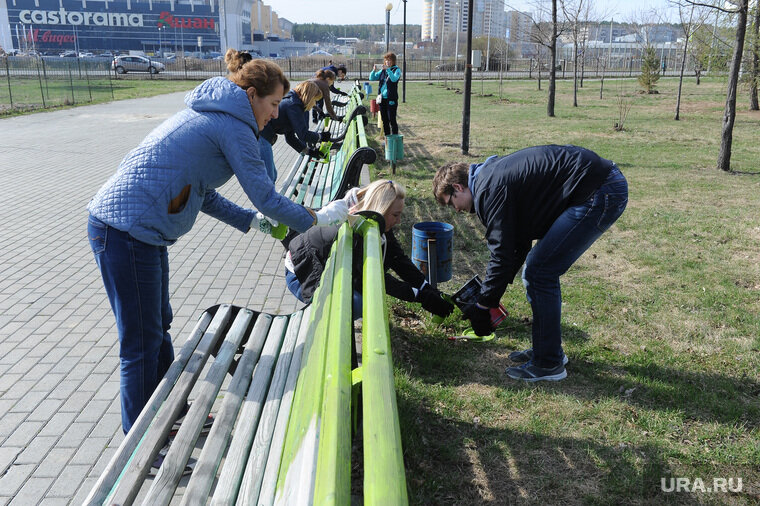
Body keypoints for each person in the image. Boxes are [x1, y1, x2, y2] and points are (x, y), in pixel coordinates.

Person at [87, 49, 349, 437]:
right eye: (274, 103)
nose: (277, 113)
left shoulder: (218, 115)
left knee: (158, 327)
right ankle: (143, 440)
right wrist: (320, 217)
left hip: (137, 231)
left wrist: (252, 223)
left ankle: (170, 414)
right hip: (124, 231)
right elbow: (264, 194)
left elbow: (203, 192)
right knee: (141, 343)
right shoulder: (233, 125)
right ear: (250, 96)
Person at [433, 145, 628, 382]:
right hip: (599, 184)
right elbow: (518, 244)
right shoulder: (489, 177)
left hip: (599, 191)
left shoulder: (488, 190)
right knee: (537, 269)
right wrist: (489, 296)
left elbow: (502, 254)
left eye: (452, 202)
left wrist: (484, 306)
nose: (457, 209)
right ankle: (548, 351)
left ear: (458, 187)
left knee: (539, 272)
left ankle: (549, 363)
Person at [284, 179, 454, 321]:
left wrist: (425, 287)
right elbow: (372, 279)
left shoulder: (372, 219)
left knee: (358, 299)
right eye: (396, 215)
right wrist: (419, 296)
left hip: (322, 262)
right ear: (381, 209)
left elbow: (397, 258)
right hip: (301, 271)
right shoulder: (355, 228)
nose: (399, 221)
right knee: (356, 304)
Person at [259, 80, 328, 182]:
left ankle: (268, 196)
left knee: (272, 175)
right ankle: (267, 197)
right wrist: (320, 137)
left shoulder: (293, 103)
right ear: (309, 96)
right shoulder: (293, 106)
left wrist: (309, 151)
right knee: (270, 177)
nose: (314, 104)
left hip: (263, 137)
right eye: (314, 100)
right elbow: (303, 134)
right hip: (261, 137)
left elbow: (290, 138)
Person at [368, 52, 402, 137]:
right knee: (385, 120)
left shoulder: (396, 70)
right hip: (382, 99)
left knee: (392, 119)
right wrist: (374, 70)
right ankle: (387, 138)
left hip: (391, 99)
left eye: (389, 60)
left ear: (393, 61)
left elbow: (394, 79)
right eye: (386, 60)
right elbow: (372, 78)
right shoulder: (383, 71)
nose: (387, 62)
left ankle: (394, 138)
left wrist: (388, 70)